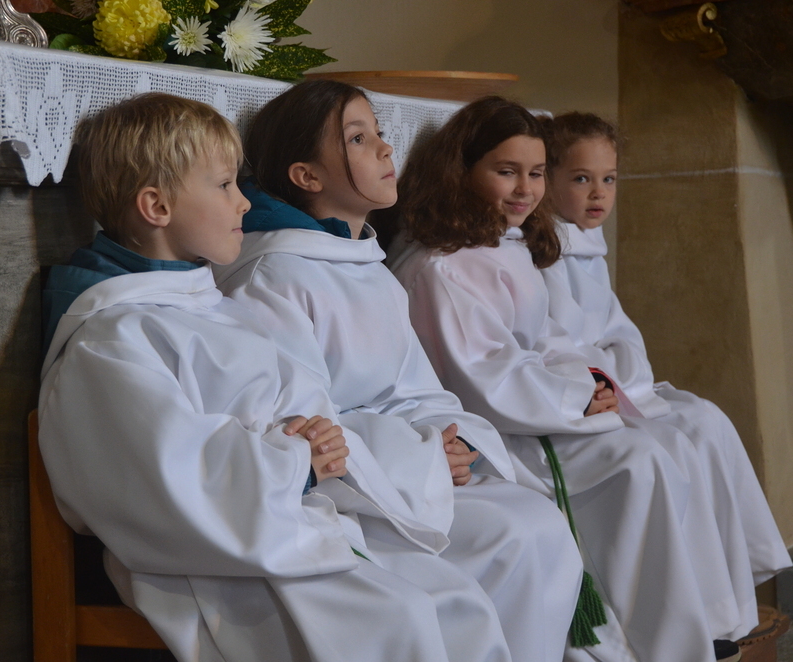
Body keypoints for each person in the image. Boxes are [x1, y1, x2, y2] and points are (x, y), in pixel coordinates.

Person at [38, 91, 514, 662]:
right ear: (156, 207)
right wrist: (299, 462)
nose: (245, 202)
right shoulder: (112, 340)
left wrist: (329, 444)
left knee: (459, 603)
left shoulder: (209, 305)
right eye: (224, 186)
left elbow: (307, 408)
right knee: (401, 619)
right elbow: (166, 475)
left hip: (292, 523)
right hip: (214, 564)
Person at [214, 79, 632, 662]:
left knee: (537, 523)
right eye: (358, 139)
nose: (387, 149)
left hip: (405, 472)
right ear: (306, 176)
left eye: (379, 133)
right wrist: (426, 456)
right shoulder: (274, 277)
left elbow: (417, 388)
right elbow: (304, 427)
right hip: (355, 496)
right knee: (517, 535)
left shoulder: (363, 264)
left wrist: (452, 440)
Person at [387, 96, 748, 662]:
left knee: (660, 448)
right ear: (461, 170)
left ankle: (683, 629)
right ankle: (648, 643)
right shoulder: (441, 265)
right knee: (637, 461)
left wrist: (591, 383)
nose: (525, 190)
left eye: (535, 174)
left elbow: (548, 339)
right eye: (506, 171)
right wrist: (577, 397)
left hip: (541, 407)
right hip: (498, 431)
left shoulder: (503, 245)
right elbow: (482, 375)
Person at [539, 110, 791, 619]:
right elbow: (555, 343)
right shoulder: (543, 250)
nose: (599, 194)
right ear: (548, 180)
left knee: (707, 420)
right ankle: (697, 611)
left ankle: (731, 595)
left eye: (609, 179)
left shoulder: (588, 245)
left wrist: (627, 371)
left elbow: (620, 332)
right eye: (582, 179)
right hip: (588, 396)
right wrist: (609, 376)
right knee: (673, 445)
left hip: (623, 384)